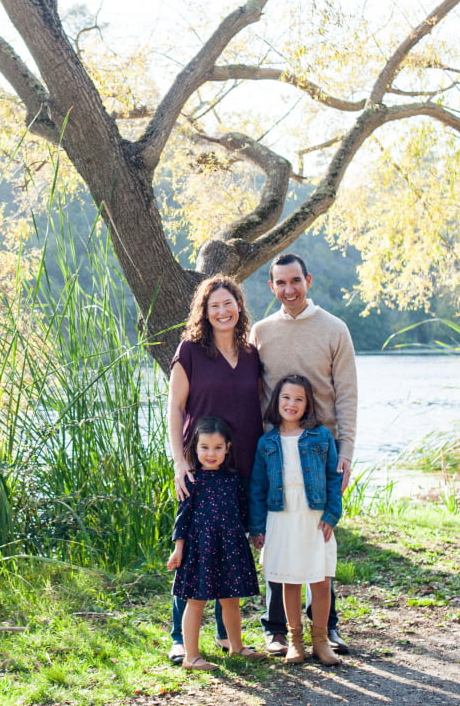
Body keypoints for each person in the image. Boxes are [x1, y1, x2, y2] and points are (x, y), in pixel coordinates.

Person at [248, 252, 357, 656]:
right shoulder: (261, 331)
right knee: (280, 542)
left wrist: (346, 450)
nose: (289, 289)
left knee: (318, 543)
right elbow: (256, 393)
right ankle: (277, 630)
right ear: (272, 286)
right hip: (277, 452)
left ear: (307, 280)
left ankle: (327, 629)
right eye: (281, 283)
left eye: (295, 281)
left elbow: (346, 394)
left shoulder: (334, 329)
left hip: (320, 453)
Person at [166, 275, 265, 664]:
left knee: (230, 549)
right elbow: (175, 407)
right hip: (200, 467)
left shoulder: (252, 353)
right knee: (194, 550)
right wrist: (179, 461)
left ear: (239, 306)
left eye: (229, 303)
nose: (222, 311)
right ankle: (180, 639)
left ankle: (229, 639)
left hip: (242, 465)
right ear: (204, 313)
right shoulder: (190, 350)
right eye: (214, 306)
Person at [248, 375, 343, 665]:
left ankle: (321, 640)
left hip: (314, 516)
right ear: (276, 402)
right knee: (289, 580)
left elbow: (333, 477)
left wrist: (332, 513)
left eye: (299, 399)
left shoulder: (321, 437)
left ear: (308, 404)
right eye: (286, 398)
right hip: (282, 516)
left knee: (321, 580)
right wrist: (257, 528)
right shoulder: (266, 442)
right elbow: (258, 487)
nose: (292, 404)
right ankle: (295, 641)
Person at [167, 416, 266, 671]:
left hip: (231, 546)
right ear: (195, 448)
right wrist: (178, 549)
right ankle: (191, 656)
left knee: (231, 599)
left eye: (217, 448)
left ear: (227, 448)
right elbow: (182, 518)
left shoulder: (232, 479)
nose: (211, 454)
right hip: (200, 549)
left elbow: (242, 513)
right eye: (205, 448)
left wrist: (254, 536)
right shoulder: (191, 480)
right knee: (196, 600)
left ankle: (236, 645)